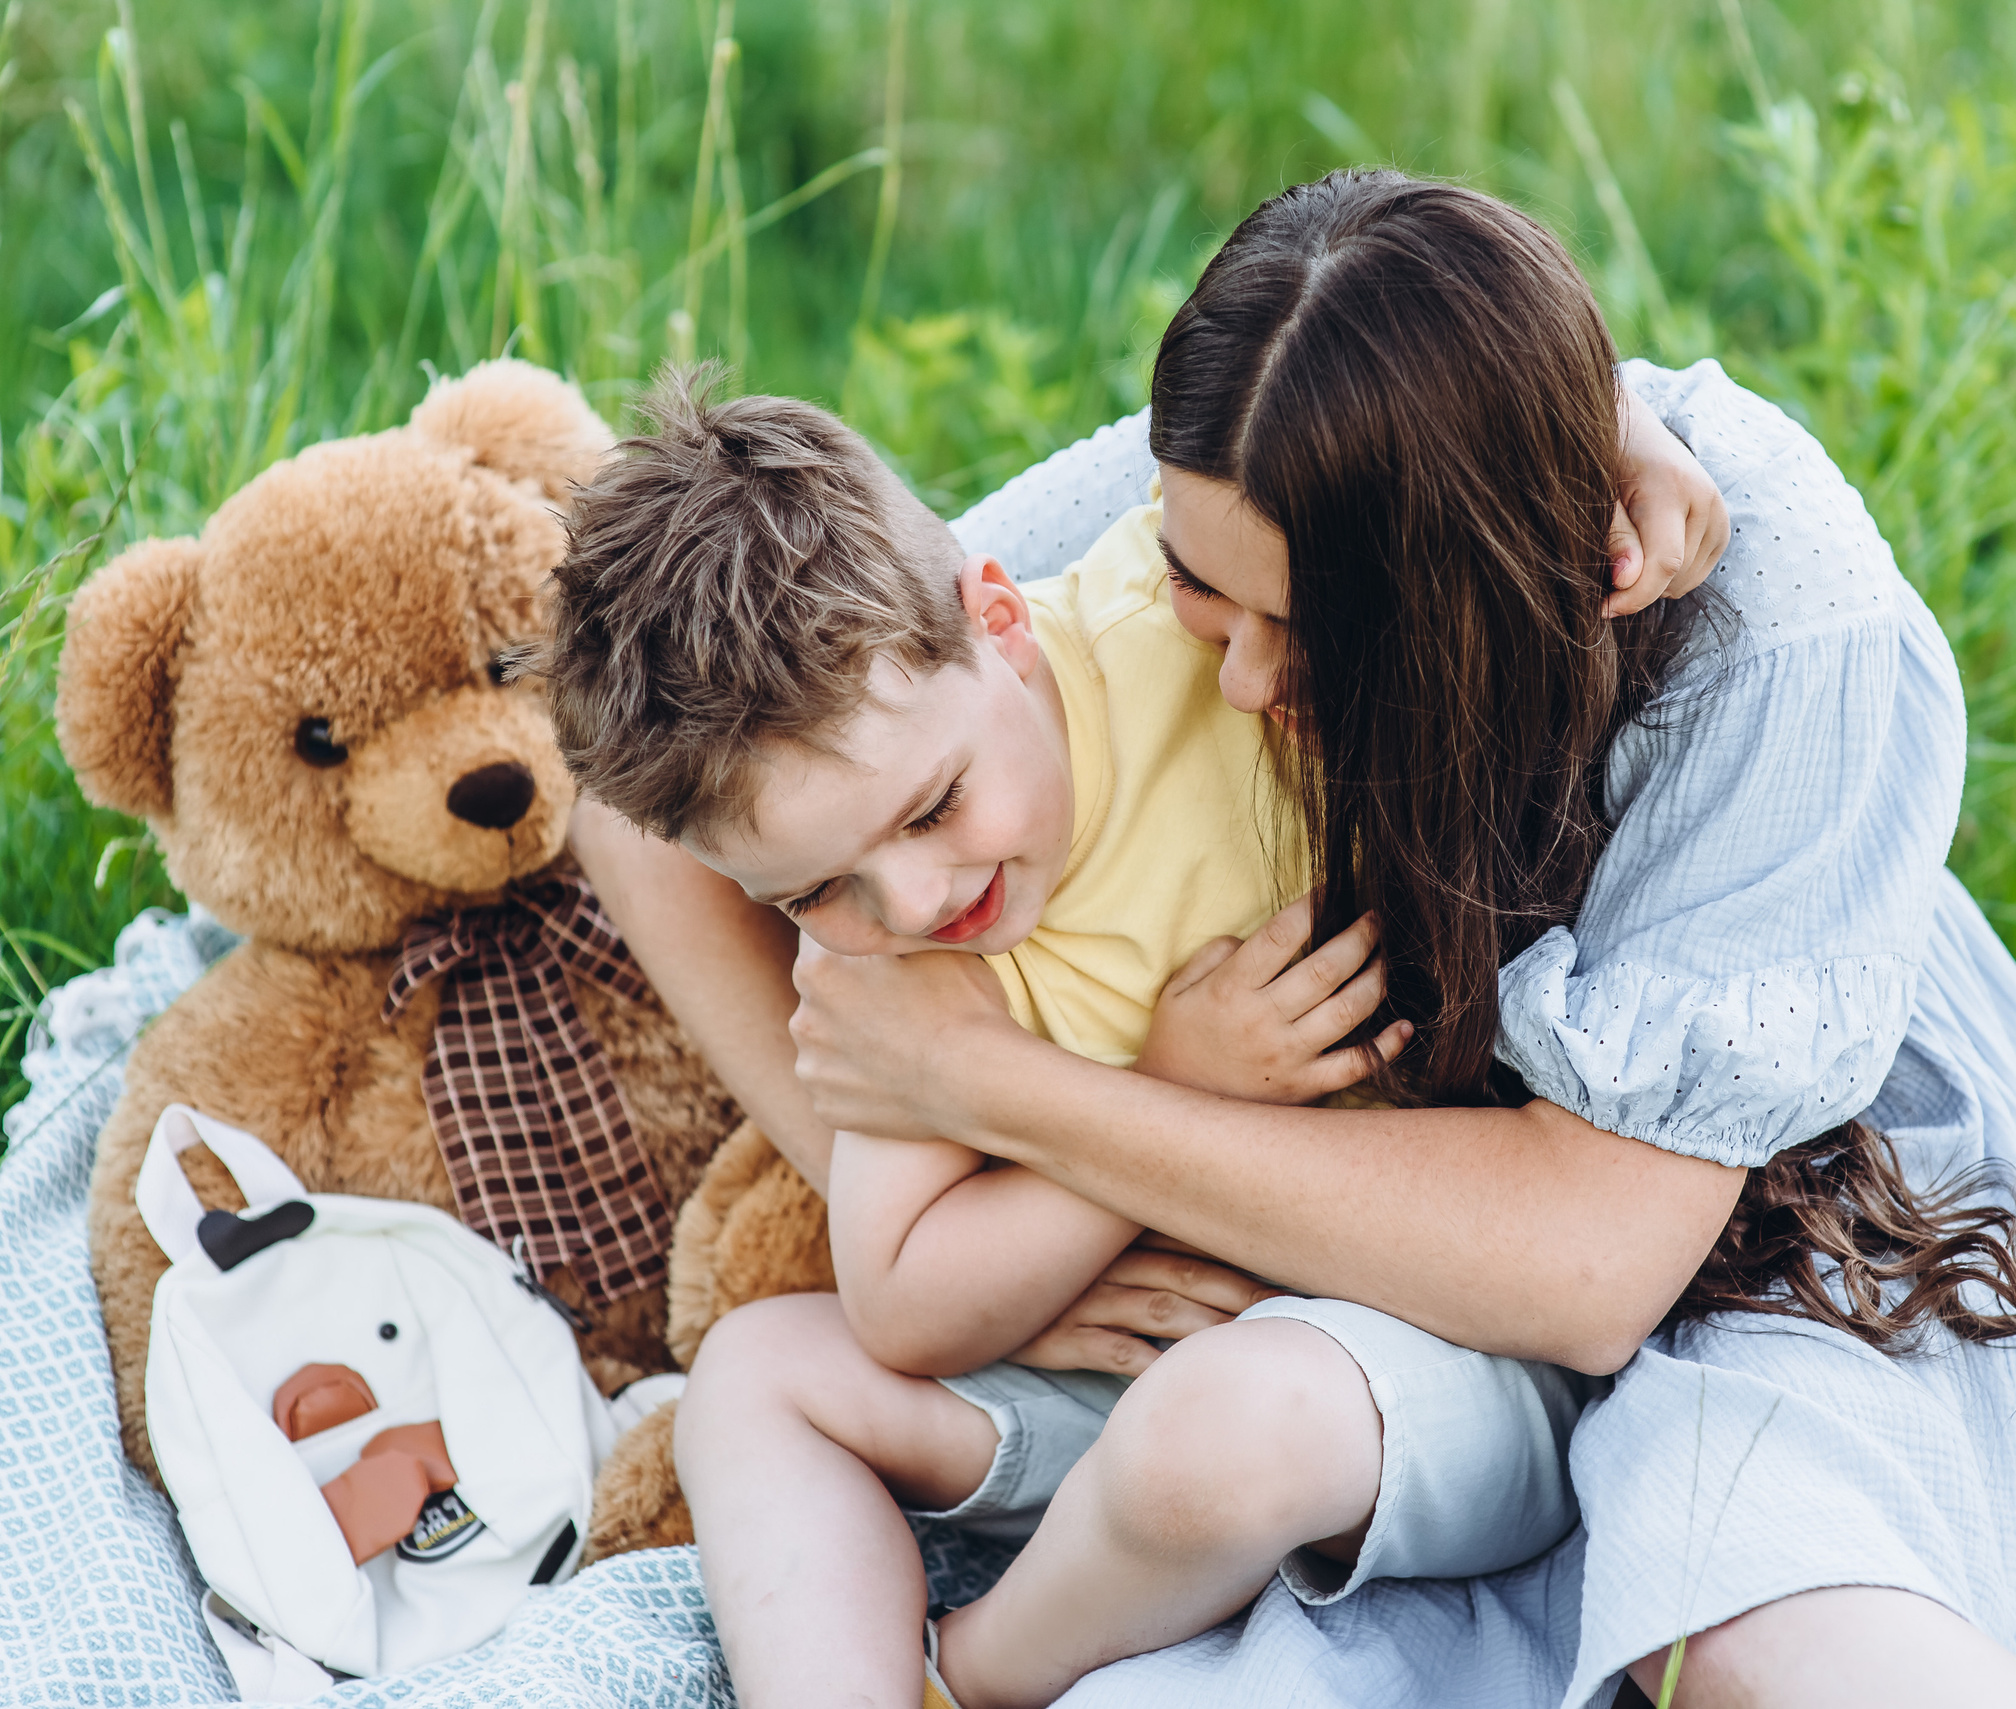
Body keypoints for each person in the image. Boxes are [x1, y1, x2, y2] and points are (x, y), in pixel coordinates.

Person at [580, 172, 2016, 1708]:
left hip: (1756, 1220)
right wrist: (933, 1160)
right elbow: (654, 791)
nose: (1235, 680)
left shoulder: (1776, 637)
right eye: (1199, 591)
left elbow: (1591, 1269)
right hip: (1332, 1252)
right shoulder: (1194, 537)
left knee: (1757, 1624)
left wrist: (1031, 1104)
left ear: (1500, 582)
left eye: (1302, 633)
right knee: (804, 1385)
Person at [540, 375, 1718, 1709]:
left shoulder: (1208, 641)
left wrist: (1621, 425)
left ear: (998, 621)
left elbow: (1412, 402)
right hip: (1127, 1366)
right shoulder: (892, 954)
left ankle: (976, 1672)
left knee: (1211, 1435)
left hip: (1413, 1362)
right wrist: (1166, 1091)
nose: (912, 904)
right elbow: (903, 1300)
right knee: (753, 1376)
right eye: (813, 890)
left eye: (933, 808)